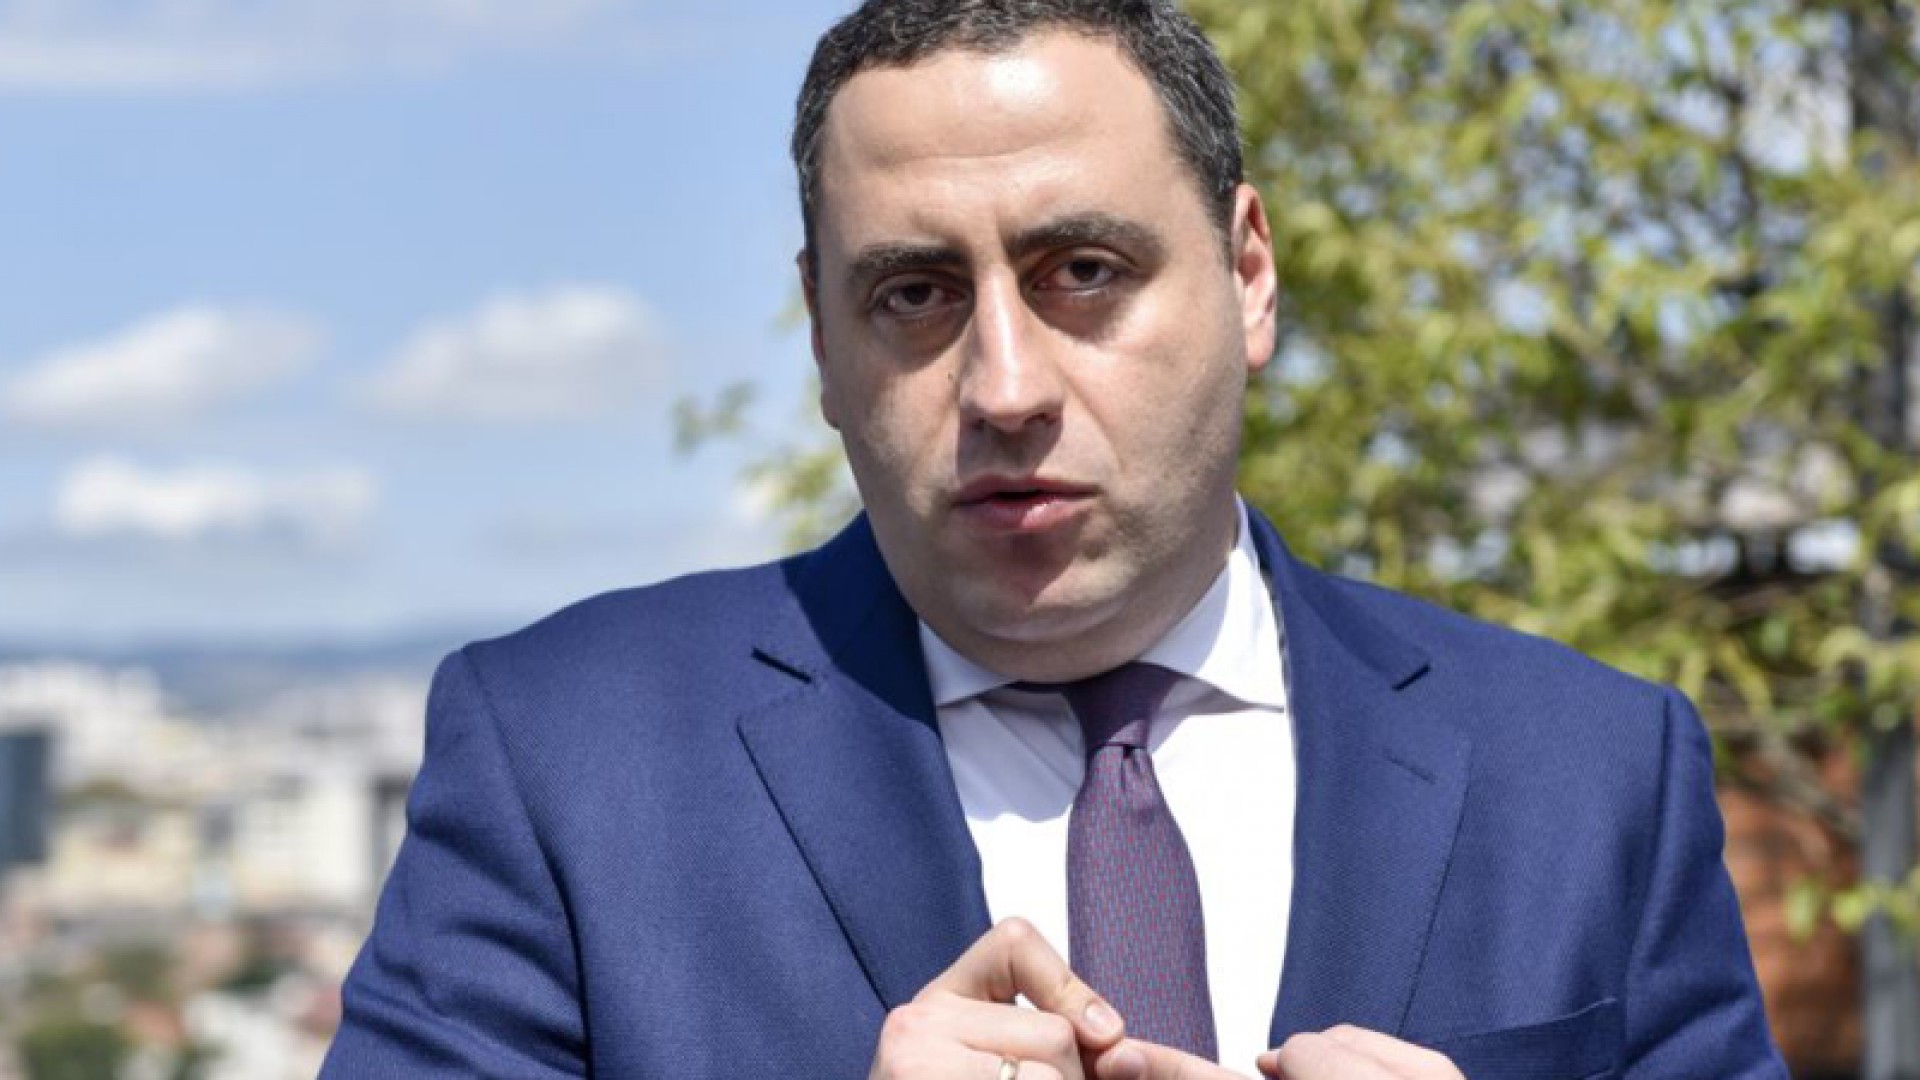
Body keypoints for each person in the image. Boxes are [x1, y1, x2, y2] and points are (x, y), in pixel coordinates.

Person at [320, 1, 1788, 1077]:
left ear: (1248, 274)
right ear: (822, 336)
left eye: (1082, 270)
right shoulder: (566, 762)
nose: (1005, 387)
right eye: (914, 294)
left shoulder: (1590, 775)